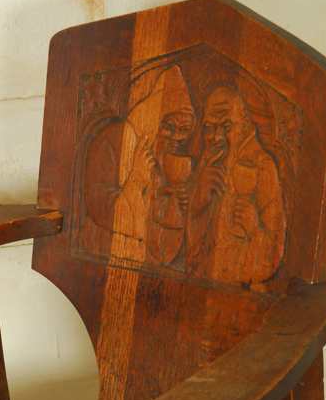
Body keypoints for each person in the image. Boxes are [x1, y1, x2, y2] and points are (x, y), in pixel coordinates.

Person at [82, 65, 196, 269]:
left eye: (184, 130)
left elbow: (164, 249)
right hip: (104, 261)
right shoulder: (111, 141)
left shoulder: (167, 162)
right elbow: (100, 211)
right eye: (169, 126)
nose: (177, 138)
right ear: (153, 118)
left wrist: (173, 207)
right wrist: (136, 180)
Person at [186, 85, 286, 286]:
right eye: (209, 127)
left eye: (226, 127)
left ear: (246, 123)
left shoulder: (262, 166)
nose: (216, 137)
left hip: (238, 297)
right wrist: (198, 202)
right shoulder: (207, 162)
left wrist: (253, 227)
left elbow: (274, 252)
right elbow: (183, 247)